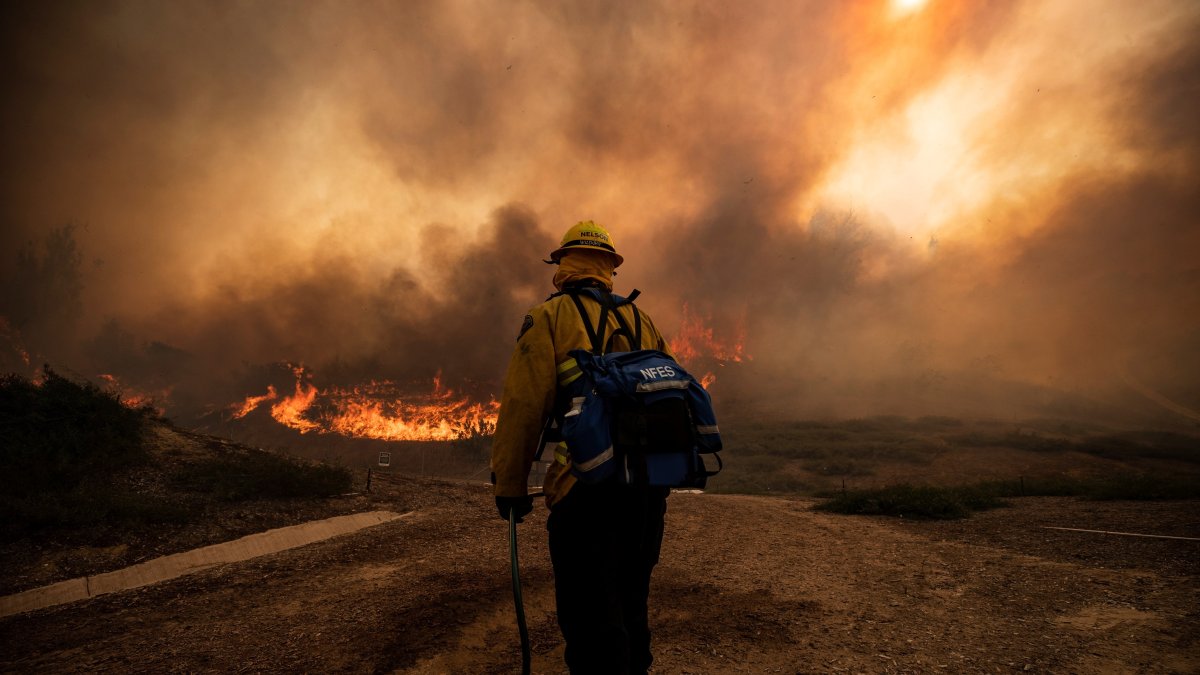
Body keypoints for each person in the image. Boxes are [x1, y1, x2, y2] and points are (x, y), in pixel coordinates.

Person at [491, 220, 675, 674]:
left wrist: (510, 485)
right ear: (611, 265)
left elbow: (523, 404)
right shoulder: (641, 320)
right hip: (645, 493)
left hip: (584, 490)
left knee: (591, 616)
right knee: (633, 605)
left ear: (563, 263)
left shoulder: (550, 317)